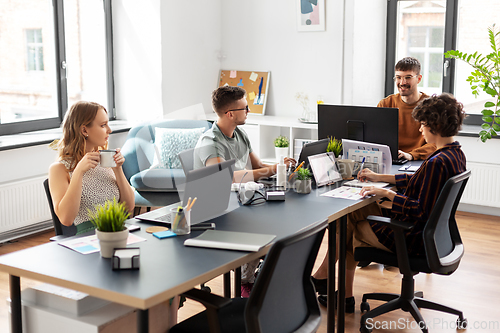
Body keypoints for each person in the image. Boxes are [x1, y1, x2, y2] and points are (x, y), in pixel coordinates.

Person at [311, 93, 466, 312]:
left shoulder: (437, 162)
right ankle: (333, 287)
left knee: (347, 226)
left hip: (412, 237)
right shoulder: (454, 154)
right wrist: (379, 178)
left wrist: (389, 195)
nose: (420, 130)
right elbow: (419, 181)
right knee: (349, 215)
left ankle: (329, 282)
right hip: (433, 236)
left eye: (422, 125)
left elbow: (420, 209)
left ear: (436, 125)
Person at [194, 86, 296, 297]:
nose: (248, 111)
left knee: (286, 223)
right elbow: (227, 177)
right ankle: (246, 281)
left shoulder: (240, 133)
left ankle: (259, 276)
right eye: (245, 107)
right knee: (265, 225)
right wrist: (270, 170)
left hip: (241, 201)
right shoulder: (209, 142)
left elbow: (257, 165)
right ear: (230, 113)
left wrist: (279, 167)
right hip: (218, 210)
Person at [48, 101, 135, 233]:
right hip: (89, 237)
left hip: (119, 231)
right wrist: (78, 172)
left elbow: (128, 208)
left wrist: (118, 169)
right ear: (84, 130)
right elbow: (66, 219)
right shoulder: (59, 169)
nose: (109, 130)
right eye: (103, 125)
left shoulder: (105, 160)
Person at [378, 57, 436, 161]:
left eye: (408, 77)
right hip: (391, 160)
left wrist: (411, 155)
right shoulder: (386, 104)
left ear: (418, 79)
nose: (402, 82)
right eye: (398, 77)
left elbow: (437, 143)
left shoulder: (431, 106)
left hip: (419, 161)